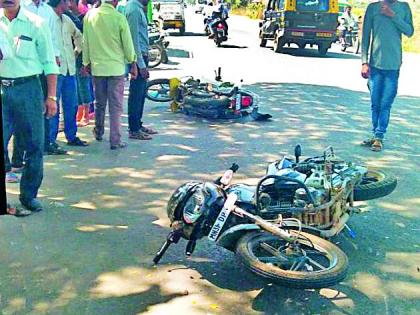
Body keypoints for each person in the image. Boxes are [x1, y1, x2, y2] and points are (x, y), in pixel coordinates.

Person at [1, 0, 59, 215]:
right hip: (2, 89)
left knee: (34, 144)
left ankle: (29, 196)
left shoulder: (36, 23)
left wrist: (51, 96)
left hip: (29, 89)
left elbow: (49, 62)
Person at [82, 0, 138, 150]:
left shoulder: (89, 16)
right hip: (116, 68)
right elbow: (127, 43)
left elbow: (85, 41)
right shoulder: (119, 17)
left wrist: (86, 62)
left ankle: (99, 131)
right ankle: (115, 139)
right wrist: (133, 61)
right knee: (116, 106)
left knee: (100, 103)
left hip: (98, 68)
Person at [361, 0, 414, 152]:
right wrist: (364, 62)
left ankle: (379, 136)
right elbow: (365, 36)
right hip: (374, 64)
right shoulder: (372, 8)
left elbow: (409, 31)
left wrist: (393, 16)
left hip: (393, 65)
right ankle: (375, 134)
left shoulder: (403, 7)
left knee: (385, 103)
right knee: (375, 102)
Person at [25, 0, 67, 155]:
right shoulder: (20, 6)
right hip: (24, 69)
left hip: (43, 66)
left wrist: (55, 56)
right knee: (22, 112)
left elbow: (52, 38)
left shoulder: (47, 11)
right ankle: (22, 151)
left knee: (47, 105)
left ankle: (46, 142)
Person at [48, 0, 89, 147]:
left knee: (71, 104)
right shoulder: (48, 19)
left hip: (69, 69)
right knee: (53, 106)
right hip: (53, 70)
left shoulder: (66, 19)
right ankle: (50, 140)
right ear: (60, 3)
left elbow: (79, 36)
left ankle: (71, 136)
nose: (69, 4)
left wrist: (76, 52)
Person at [125, 0, 158, 140]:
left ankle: (137, 124)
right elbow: (133, 40)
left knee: (141, 93)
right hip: (138, 59)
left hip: (142, 56)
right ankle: (133, 129)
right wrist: (140, 65)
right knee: (136, 95)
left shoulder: (138, 8)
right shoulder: (133, 9)